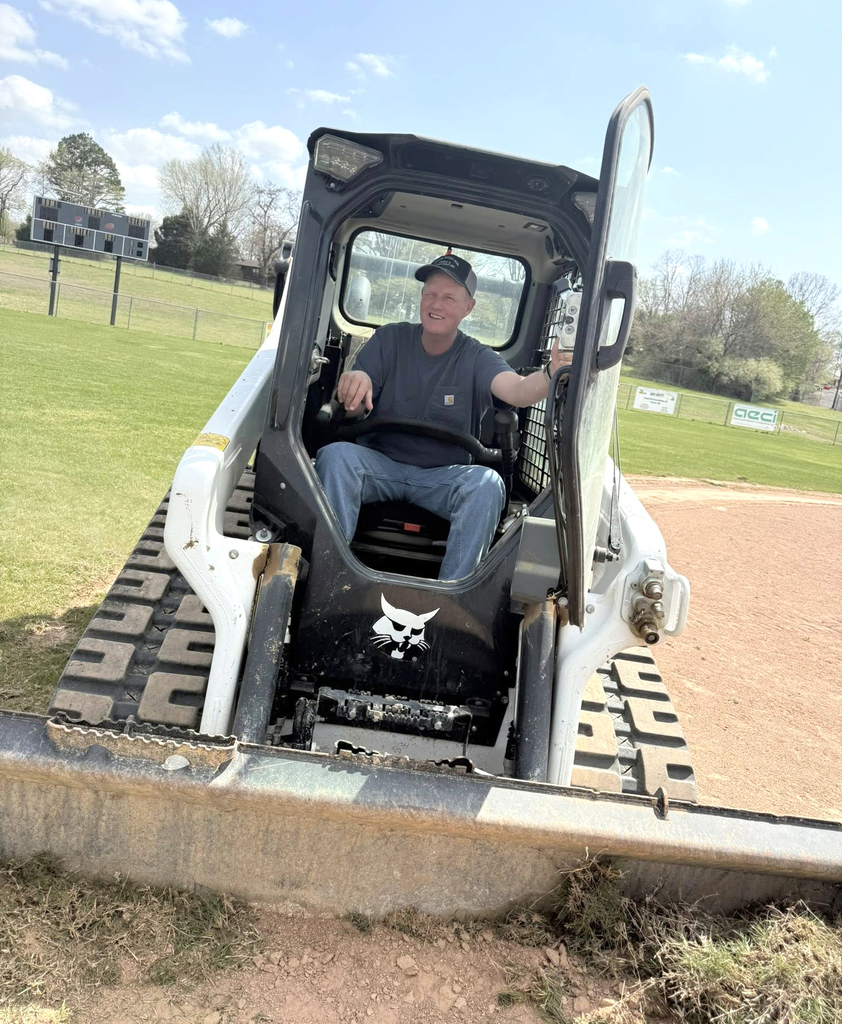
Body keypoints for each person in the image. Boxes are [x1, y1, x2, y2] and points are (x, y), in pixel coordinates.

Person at [315, 253, 570, 581]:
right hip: (378, 466)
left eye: (449, 297)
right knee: (335, 456)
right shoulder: (390, 339)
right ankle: (328, 575)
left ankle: (454, 593)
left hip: (442, 479)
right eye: (430, 294)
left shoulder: (477, 357)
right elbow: (355, 406)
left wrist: (553, 372)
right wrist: (356, 381)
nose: (437, 304)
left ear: (468, 307)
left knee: (487, 485)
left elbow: (519, 391)